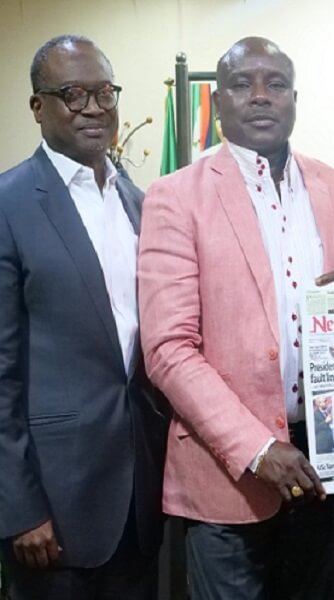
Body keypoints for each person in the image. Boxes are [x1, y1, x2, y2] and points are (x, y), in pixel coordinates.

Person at [137, 37, 334, 600]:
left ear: (295, 98)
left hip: (326, 467)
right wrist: (258, 450)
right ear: (218, 101)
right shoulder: (174, 198)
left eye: (276, 84)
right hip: (227, 477)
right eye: (242, 84)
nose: (261, 96)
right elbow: (168, 348)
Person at [0, 35, 168, 599]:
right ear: (37, 107)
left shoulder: (139, 202)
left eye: (104, 93)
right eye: (73, 94)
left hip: (140, 499)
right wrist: (18, 509)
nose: (94, 108)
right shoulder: (9, 205)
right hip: (53, 510)